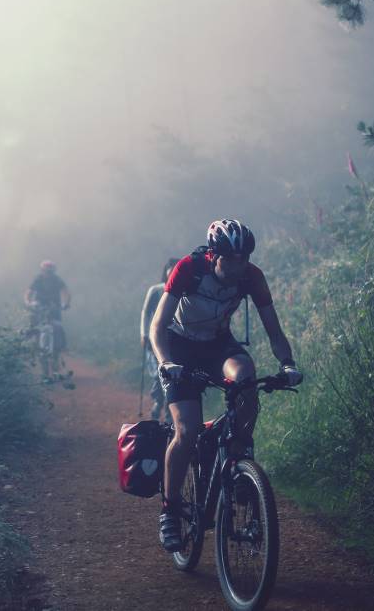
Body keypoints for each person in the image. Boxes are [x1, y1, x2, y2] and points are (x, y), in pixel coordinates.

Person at [148, 219, 303, 553]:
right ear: (213, 256)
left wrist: (287, 364)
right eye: (230, 259)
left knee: (246, 376)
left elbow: (274, 331)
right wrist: (165, 364)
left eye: (243, 258)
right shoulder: (188, 269)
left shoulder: (251, 276)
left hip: (218, 344)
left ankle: (240, 456)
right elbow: (158, 327)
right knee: (186, 431)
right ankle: (170, 512)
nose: (237, 266)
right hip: (179, 348)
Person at [140, 259, 178, 422]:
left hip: (175, 337)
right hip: (156, 337)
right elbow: (146, 312)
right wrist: (144, 334)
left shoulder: (183, 291)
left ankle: (169, 411)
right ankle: (158, 402)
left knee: (171, 373)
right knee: (158, 374)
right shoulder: (155, 290)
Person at [24, 260, 71, 379]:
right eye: (46, 271)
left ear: (53, 272)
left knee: (59, 327)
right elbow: (29, 292)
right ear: (42, 271)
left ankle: (62, 346)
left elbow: (65, 291)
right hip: (39, 308)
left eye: (50, 272)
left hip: (54, 308)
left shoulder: (57, 280)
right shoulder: (38, 279)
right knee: (33, 326)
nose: (48, 274)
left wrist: (66, 303)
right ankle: (30, 344)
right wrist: (28, 302)